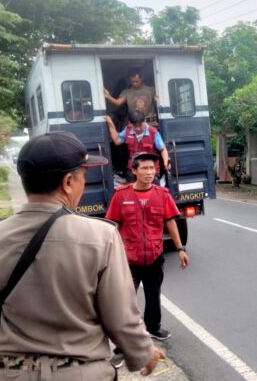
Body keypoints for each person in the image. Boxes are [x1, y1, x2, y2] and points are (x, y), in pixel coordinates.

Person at [0, 131, 164, 380]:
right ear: (67, 182)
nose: (83, 184)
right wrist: (142, 353)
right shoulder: (101, 236)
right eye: (83, 176)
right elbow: (121, 318)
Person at [106, 152, 189, 366]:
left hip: (153, 256)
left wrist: (180, 248)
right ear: (134, 171)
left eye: (153, 168)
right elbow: (112, 226)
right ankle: (121, 348)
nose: (150, 172)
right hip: (128, 260)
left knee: (154, 295)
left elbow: (170, 222)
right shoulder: (121, 195)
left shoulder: (162, 195)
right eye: (144, 168)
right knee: (124, 304)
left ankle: (153, 327)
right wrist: (107, 253)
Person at [105, 111, 170, 182]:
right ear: (130, 123)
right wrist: (110, 123)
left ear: (145, 121)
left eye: (140, 125)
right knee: (132, 190)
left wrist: (165, 163)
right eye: (135, 126)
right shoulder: (128, 129)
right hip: (133, 169)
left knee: (152, 191)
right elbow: (117, 141)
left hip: (150, 169)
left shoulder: (153, 132)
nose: (138, 128)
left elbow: (163, 149)